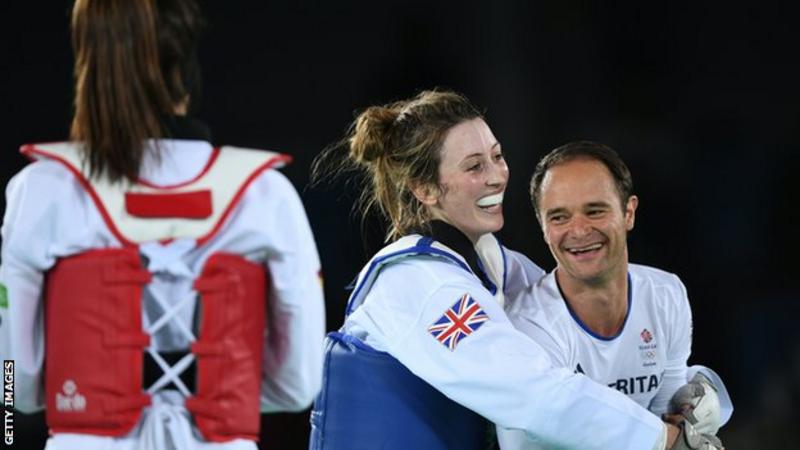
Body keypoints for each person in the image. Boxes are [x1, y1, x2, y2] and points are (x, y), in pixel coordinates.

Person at [0, 0, 325, 449]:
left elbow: (14, 384)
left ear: (89, 64)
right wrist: (220, 391)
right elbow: (298, 385)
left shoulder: (42, 189)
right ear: (188, 69)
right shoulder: (265, 196)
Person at [308, 90, 698, 450]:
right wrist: (660, 438)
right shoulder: (420, 285)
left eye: (497, 156)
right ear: (425, 189)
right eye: (474, 166)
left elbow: (582, 340)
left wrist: (694, 392)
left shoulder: (494, 266)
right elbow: (532, 392)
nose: (496, 175)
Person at [497, 141, 733, 450]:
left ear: (629, 212)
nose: (579, 230)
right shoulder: (527, 326)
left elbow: (670, 423)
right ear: (543, 228)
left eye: (594, 211)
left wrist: (686, 423)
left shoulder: (666, 294)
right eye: (559, 217)